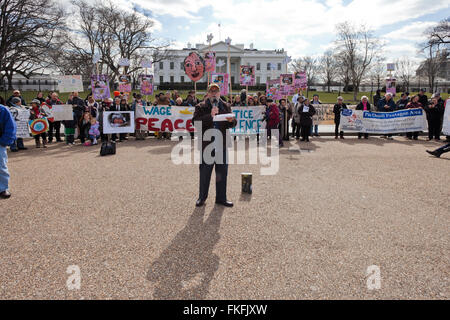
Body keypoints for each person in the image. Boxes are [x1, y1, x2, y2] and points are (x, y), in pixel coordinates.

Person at [193, 83, 237, 208]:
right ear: (208, 93)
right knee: (205, 173)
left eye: (216, 91)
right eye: (211, 91)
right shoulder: (201, 106)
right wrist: (210, 116)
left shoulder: (226, 105)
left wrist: (232, 121)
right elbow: (195, 123)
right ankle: (202, 197)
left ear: (219, 93)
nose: (214, 93)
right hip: (207, 145)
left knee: (222, 173)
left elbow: (233, 123)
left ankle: (221, 198)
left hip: (221, 145)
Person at [0, 103, 16, 199]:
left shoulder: (2, 110)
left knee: (1, 166)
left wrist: (4, 141)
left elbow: (10, 126)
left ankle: (2, 188)